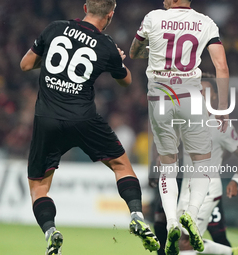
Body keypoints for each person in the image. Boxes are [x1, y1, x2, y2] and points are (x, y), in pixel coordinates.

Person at [20, 0, 160, 254]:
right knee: (121, 166)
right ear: (110, 15)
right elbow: (126, 81)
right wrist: (116, 59)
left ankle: (51, 231)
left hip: (47, 119)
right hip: (84, 119)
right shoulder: (106, 45)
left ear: (85, 8)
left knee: (39, 186)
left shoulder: (54, 29)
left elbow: (26, 64)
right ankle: (137, 215)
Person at [130, 0, 229, 253]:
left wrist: (153, 50)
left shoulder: (153, 17)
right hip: (190, 97)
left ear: (171, 1)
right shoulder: (206, 23)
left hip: (160, 95)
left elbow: (135, 51)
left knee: (168, 164)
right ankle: (192, 215)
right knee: (202, 163)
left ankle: (172, 220)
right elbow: (221, 67)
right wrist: (223, 107)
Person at [177, 75, 238, 255]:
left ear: (215, 96)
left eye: (206, 91)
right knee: (182, 239)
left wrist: (235, 180)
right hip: (187, 188)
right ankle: (233, 253)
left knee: (187, 242)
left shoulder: (221, 124)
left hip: (207, 190)